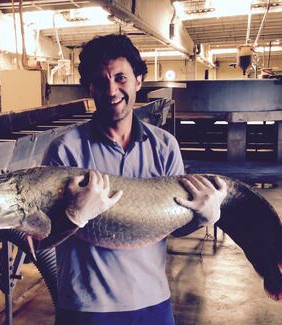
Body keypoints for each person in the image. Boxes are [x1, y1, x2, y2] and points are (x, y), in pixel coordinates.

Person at [42, 34, 227, 325]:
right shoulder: (66, 150)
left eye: (120, 78)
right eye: (101, 81)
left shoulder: (164, 146)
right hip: (87, 307)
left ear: (139, 80)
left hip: (151, 302)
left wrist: (201, 218)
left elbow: (170, 229)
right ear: (90, 87)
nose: (111, 90)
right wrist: (73, 216)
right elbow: (42, 240)